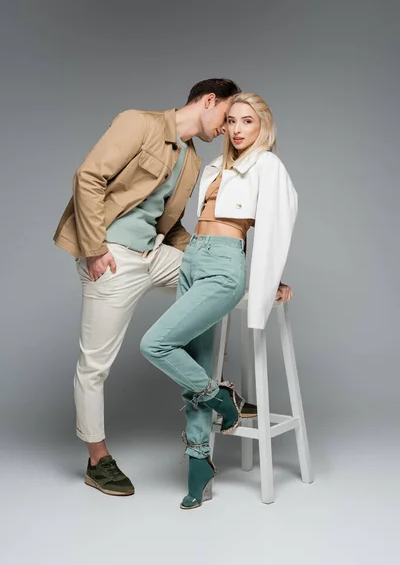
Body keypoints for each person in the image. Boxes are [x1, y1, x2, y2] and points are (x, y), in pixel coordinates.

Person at [53, 79, 242, 496]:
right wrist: (94, 247)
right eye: (226, 116)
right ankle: (97, 461)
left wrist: (210, 260)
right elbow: (88, 177)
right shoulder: (138, 123)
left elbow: (169, 225)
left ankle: (219, 394)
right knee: (95, 366)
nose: (227, 128)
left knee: (223, 284)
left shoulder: (191, 160)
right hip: (113, 256)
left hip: (153, 254)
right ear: (208, 101)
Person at [140, 92, 298, 509]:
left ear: (262, 124)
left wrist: (269, 280)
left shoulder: (268, 165)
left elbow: (275, 227)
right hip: (193, 258)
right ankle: (199, 468)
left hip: (226, 266)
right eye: (231, 121)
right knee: (193, 363)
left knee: (155, 343)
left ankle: (223, 400)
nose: (238, 129)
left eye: (248, 121)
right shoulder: (214, 165)